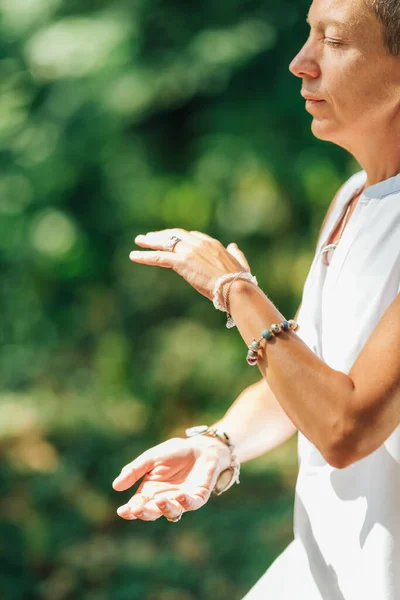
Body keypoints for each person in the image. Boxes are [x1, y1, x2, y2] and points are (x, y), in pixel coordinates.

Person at [112, 0, 400, 597]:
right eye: (307, 35)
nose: (301, 63)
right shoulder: (352, 198)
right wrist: (222, 441)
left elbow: (345, 428)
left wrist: (235, 290)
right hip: (323, 565)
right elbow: (307, 373)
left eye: (335, 41)